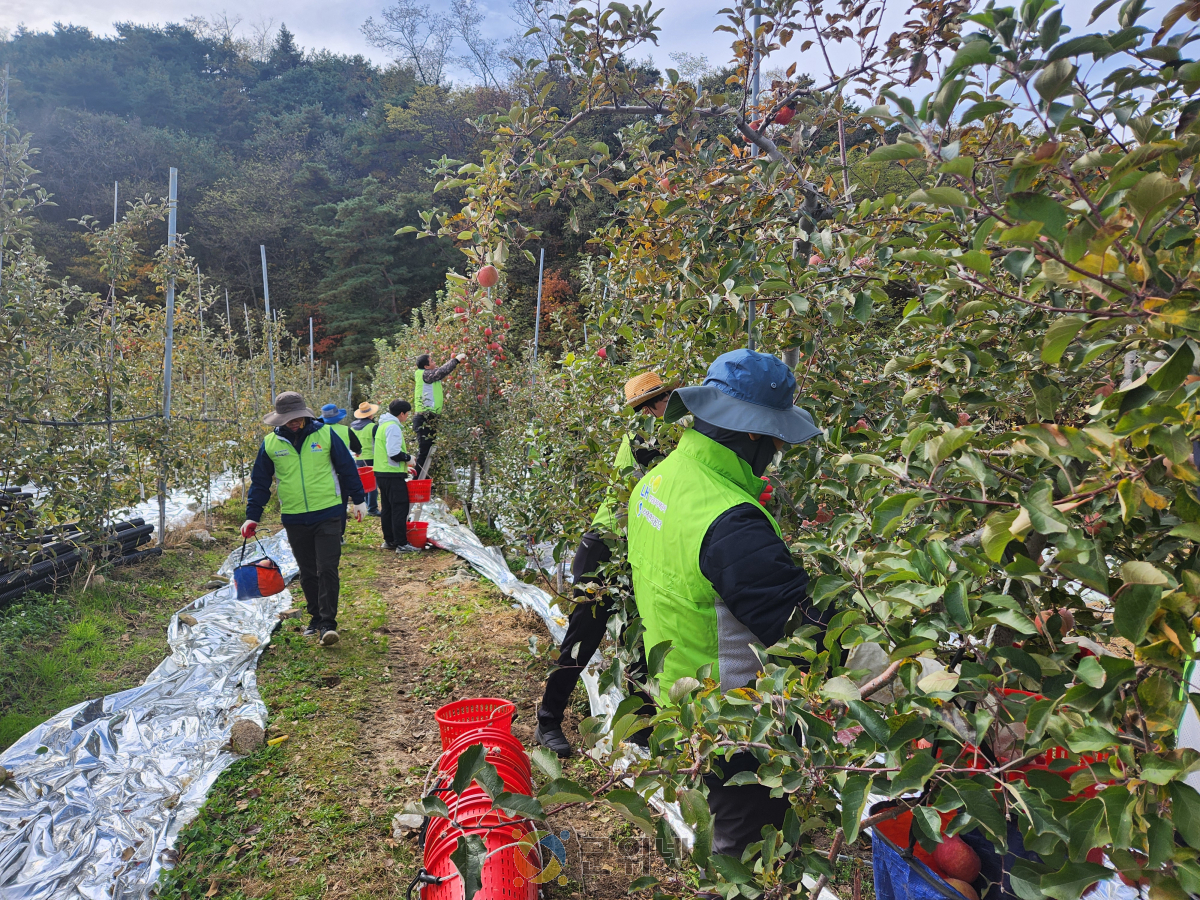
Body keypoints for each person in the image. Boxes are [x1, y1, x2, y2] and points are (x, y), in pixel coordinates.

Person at [626, 349, 825, 859]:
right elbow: (804, 635)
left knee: (726, 838)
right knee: (743, 859)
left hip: (681, 704)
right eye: (777, 436)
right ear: (754, 432)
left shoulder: (657, 483)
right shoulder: (730, 521)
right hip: (737, 724)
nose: (780, 447)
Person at [535, 372, 672, 758]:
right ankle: (548, 721)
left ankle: (639, 729)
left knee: (640, 638)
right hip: (606, 549)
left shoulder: (669, 435)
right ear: (648, 409)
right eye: (664, 401)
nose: (673, 406)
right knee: (582, 638)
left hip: (641, 549)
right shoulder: (644, 439)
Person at [242, 391, 367, 648]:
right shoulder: (270, 444)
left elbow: (347, 468)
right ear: (279, 419)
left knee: (327, 567)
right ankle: (315, 618)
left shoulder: (326, 434)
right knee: (308, 571)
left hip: (328, 512)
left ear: (305, 415)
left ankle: (328, 624)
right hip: (295, 516)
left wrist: (360, 499)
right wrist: (252, 516)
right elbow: (260, 483)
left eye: (298, 417)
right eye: (289, 418)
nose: (295, 422)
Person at [412, 352, 467, 477]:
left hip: (430, 417)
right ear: (426, 366)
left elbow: (440, 373)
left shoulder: (428, 376)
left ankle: (423, 479)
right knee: (424, 451)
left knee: (429, 451)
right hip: (424, 418)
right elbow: (441, 371)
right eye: (432, 361)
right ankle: (417, 481)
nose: (435, 363)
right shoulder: (425, 374)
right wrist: (456, 360)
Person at [375, 399, 418, 553]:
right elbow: (393, 453)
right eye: (407, 414)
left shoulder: (383, 425)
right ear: (401, 414)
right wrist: (409, 459)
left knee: (387, 507)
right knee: (400, 507)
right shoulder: (393, 427)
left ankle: (389, 540)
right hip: (392, 475)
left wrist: (404, 468)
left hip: (382, 472)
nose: (407, 417)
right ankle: (402, 543)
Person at [350, 401, 381, 516]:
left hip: (358, 458)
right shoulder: (373, 427)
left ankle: (365, 505)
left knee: (362, 483)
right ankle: (372, 508)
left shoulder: (352, 427)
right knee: (372, 485)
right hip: (372, 458)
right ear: (370, 415)